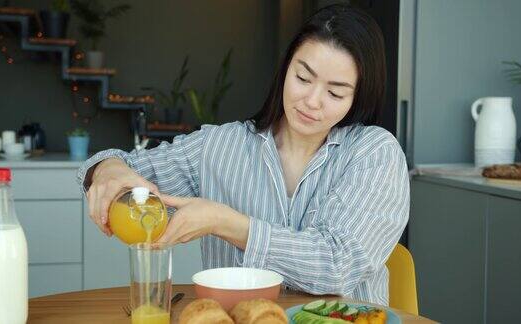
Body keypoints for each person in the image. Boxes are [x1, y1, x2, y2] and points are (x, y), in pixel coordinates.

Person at [77, 4, 409, 305]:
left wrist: (227, 223)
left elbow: (336, 266)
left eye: (335, 92)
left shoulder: (374, 155)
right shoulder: (220, 146)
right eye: (303, 77)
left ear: (358, 97)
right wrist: (107, 170)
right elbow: (126, 169)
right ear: (285, 69)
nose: (312, 101)